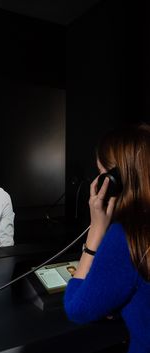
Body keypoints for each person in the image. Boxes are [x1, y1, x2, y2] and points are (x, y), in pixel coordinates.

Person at [64, 123, 150, 353]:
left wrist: (95, 233)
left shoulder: (127, 237)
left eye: (102, 174)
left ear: (113, 182)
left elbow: (77, 308)